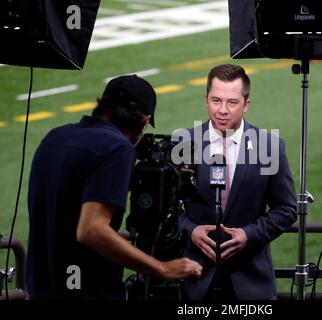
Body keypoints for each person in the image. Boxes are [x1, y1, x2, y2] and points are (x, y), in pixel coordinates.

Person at [26, 75, 202, 300]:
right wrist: (162, 268)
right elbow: (91, 230)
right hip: (86, 290)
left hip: (42, 286)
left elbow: (71, 194)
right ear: (144, 121)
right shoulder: (117, 149)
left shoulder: (55, 137)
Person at [179, 64, 297, 300]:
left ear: (246, 105)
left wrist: (249, 235)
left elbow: (287, 209)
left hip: (250, 282)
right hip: (193, 283)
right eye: (216, 100)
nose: (222, 110)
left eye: (232, 102)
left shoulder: (270, 146)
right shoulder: (183, 142)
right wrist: (190, 231)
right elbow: (166, 207)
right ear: (206, 100)